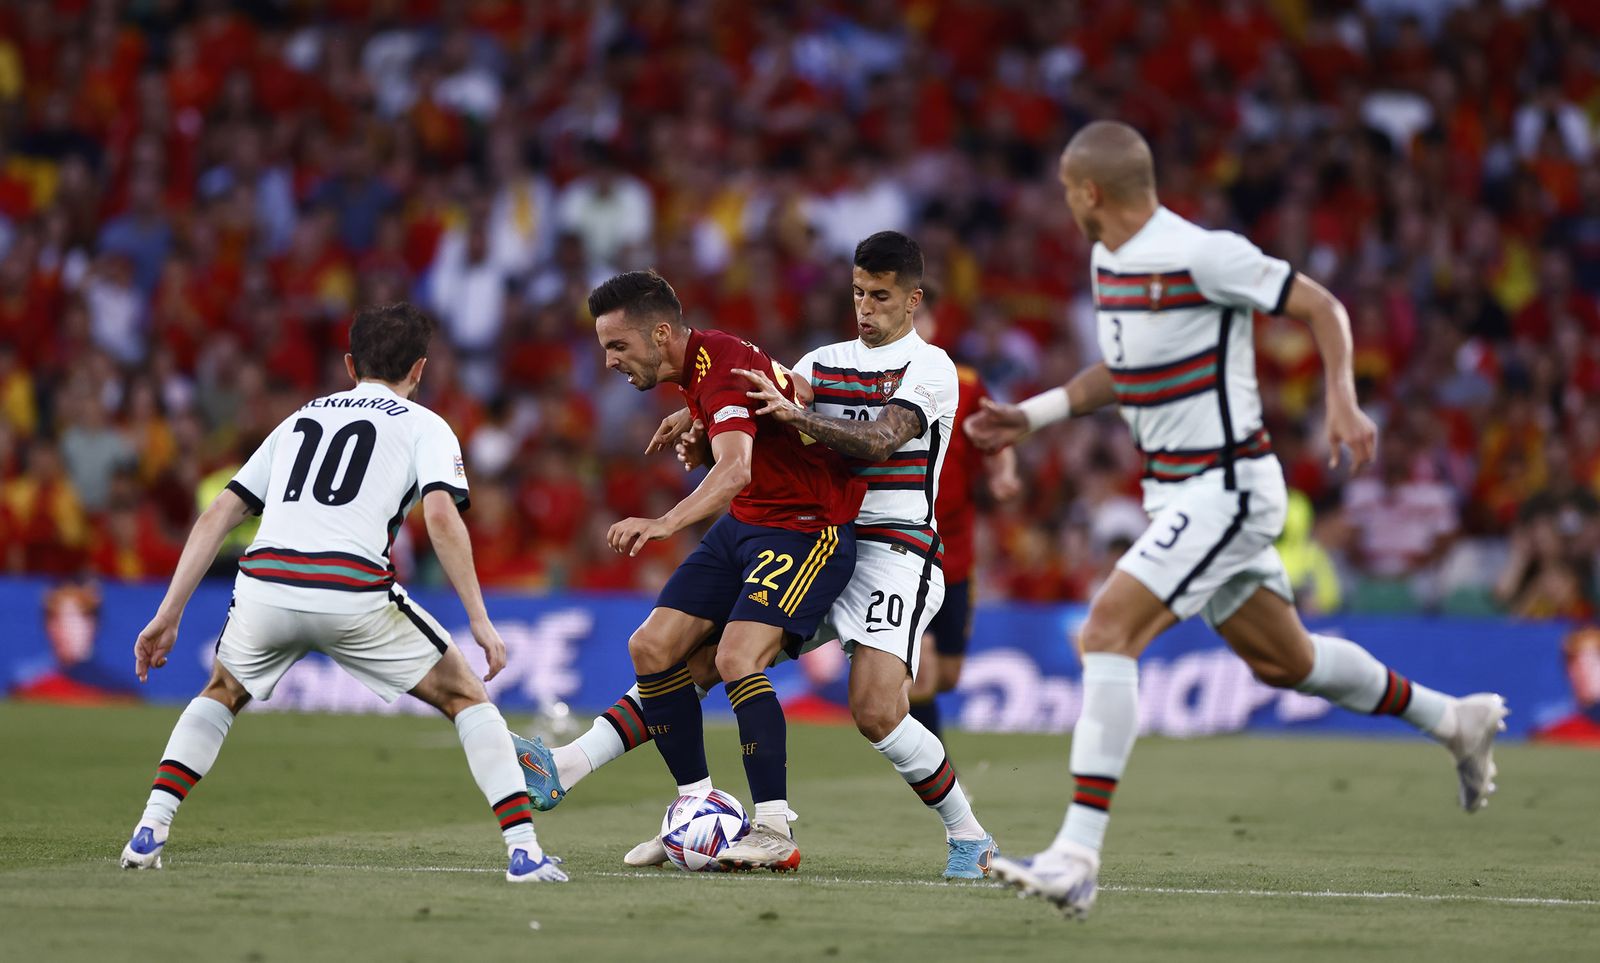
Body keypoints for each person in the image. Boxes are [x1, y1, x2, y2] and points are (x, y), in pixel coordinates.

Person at [964, 121, 1509, 920]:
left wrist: (1341, 397)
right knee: (1290, 663)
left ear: (1089, 192)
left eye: (1064, 189)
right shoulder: (1108, 259)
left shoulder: (1203, 252)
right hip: (1179, 492)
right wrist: (1035, 415)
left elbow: (1322, 307)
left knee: (1106, 632)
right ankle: (1451, 718)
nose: (1063, 203)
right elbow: (1126, 372)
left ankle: (1077, 853)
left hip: (1227, 486)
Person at [518, 235, 999, 879]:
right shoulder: (825, 360)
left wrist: (795, 418)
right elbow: (761, 402)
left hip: (896, 548)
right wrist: (704, 423)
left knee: (877, 711)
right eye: (858, 293)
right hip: (817, 532)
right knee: (688, 667)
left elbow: (879, 442)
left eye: (881, 297)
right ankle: (685, 813)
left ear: (912, 301)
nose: (866, 308)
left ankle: (970, 837)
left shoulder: (931, 369)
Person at [118, 303, 566, 883]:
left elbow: (218, 515)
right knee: (466, 696)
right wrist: (479, 618)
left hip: (265, 585)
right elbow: (441, 516)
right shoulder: (424, 423)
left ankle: (149, 830)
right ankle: (524, 851)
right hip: (350, 588)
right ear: (420, 369)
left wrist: (167, 613)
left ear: (350, 363)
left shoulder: (299, 418)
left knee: (222, 690)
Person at [584, 270, 863, 872]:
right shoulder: (703, 368)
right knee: (652, 646)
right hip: (747, 524)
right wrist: (700, 421)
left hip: (805, 528)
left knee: (737, 657)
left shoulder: (721, 364)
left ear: (660, 334)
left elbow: (735, 468)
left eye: (616, 346)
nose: (608, 360)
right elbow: (786, 403)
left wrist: (665, 522)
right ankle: (697, 812)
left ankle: (773, 826)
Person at [907, 308, 1020, 738]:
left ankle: (916, 752)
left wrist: (1004, 472)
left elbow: (995, 436)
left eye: (924, 320)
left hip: (955, 553)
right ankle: (934, 777)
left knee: (947, 676)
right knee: (923, 668)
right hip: (905, 548)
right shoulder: (880, 382)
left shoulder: (965, 383)